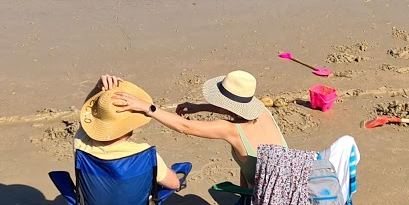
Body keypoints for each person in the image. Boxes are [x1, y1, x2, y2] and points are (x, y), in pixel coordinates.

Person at [111, 70, 285, 187]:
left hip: (267, 199)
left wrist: (148, 108)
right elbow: (235, 111)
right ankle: (243, 201)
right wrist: (199, 107)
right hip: (288, 185)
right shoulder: (263, 112)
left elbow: (184, 126)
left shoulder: (229, 129)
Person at [77, 76, 183, 205]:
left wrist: (97, 90)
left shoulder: (81, 145)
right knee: (163, 182)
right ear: (131, 125)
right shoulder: (144, 154)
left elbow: (84, 117)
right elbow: (174, 184)